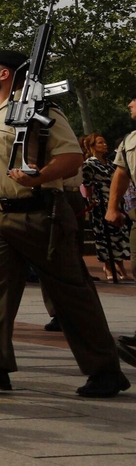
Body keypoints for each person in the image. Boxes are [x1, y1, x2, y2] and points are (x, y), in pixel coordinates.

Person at [0, 49, 127, 398]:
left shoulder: (42, 110)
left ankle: (104, 370)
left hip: (39, 210)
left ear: (4, 74)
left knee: (70, 294)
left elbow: (72, 158)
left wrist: (39, 175)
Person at [107, 105, 135, 367]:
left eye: (134, 101)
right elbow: (122, 173)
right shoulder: (130, 140)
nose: (128, 105)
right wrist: (112, 207)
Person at [80, 134, 127, 284]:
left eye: (105, 142)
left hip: (115, 202)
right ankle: (108, 266)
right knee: (104, 236)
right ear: (92, 146)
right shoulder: (89, 164)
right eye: (100, 143)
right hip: (99, 204)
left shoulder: (111, 163)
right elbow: (87, 185)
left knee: (119, 234)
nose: (104, 145)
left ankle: (119, 265)